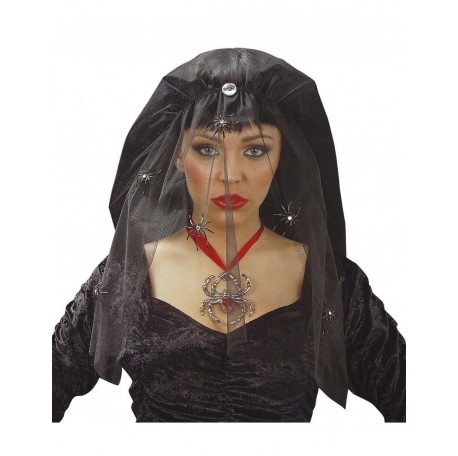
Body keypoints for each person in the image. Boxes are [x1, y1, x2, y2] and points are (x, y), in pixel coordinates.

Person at [52, 48, 406, 422]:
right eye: (207, 149)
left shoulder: (331, 281)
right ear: (177, 155)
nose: (229, 175)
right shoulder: (126, 274)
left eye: (255, 150)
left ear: (282, 155)